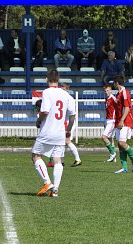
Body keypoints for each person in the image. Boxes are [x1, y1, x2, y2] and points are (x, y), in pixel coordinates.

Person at [31, 68, 76, 197]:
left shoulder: (46, 92)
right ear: (58, 79)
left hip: (47, 131)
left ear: (47, 79)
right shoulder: (66, 95)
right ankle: (55, 190)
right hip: (60, 132)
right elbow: (72, 116)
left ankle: (47, 182)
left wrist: (38, 121)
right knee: (57, 160)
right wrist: (68, 130)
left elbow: (45, 111)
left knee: (35, 156)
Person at [113, 74, 133, 174]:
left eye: (114, 83)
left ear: (117, 83)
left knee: (121, 143)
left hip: (126, 121)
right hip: (119, 121)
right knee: (119, 145)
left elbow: (127, 108)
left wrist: (122, 120)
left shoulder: (125, 93)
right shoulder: (118, 94)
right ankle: (124, 167)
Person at [61, 82, 82, 166]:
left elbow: (72, 115)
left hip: (70, 122)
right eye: (61, 89)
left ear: (67, 90)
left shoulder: (70, 99)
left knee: (67, 141)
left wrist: (69, 128)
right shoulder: (62, 98)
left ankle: (78, 159)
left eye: (64, 89)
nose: (62, 91)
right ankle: (61, 161)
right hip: (64, 123)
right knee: (62, 142)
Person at [101, 82, 117, 162]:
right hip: (107, 120)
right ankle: (113, 157)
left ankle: (112, 153)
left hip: (112, 120)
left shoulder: (113, 98)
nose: (106, 92)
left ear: (110, 90)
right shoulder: (106, 99)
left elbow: (118, 108)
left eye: (107, 90)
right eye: (105, 91)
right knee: (111, 138)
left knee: (104, 137)